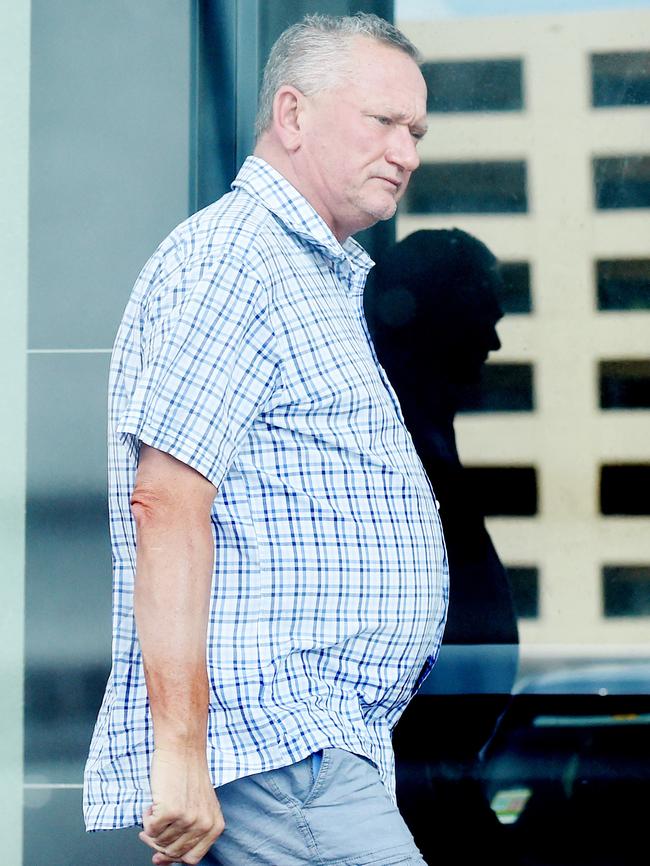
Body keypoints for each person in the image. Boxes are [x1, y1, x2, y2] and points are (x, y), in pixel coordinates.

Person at [83, 14, 448, 866]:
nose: (408, 152)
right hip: (279, 745)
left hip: (315, 747)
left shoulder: (308, 272)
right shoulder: (236, 259)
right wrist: (178, 755)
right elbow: (167, 502)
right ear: (292, 115)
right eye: (385, 122)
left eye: (418, 132)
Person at [364, 228, 521, 865]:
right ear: (433, 320)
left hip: (442, 777)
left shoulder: (428, 439)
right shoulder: (383, 448)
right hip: (407, 783)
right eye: (482, 319)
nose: (494, 342)